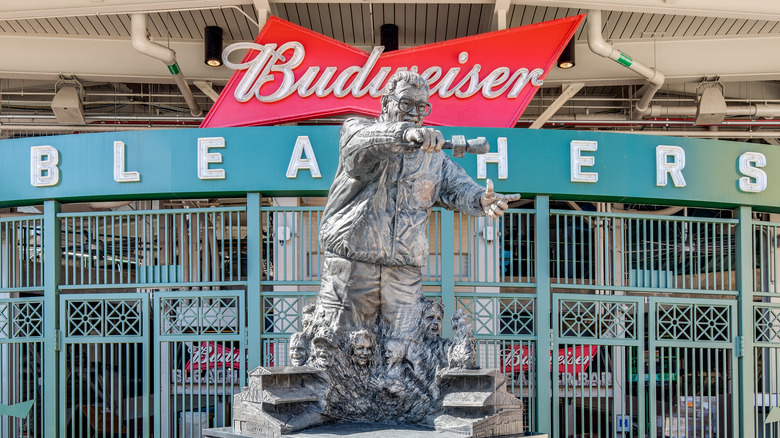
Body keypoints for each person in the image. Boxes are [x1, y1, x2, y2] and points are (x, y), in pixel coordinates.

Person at [314, 70, 520, 359]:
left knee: (406, 354)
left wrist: (481, 200)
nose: (414, 112)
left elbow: (459, 187)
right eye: (406, 103)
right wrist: (406, 134)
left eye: (421, 106)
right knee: (336, 349)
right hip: (352, 266)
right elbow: (360, 149)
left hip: (404, 271)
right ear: (386, 103)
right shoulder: (357, 131)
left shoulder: (433, 156)